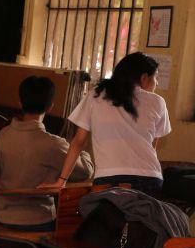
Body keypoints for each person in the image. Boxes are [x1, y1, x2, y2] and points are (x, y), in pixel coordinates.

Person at [49, 52, 170, 193]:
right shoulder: (158, 102)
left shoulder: (96, 95)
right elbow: (151, 147)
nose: (157, 82)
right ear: (144, 78)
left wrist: (62, 180)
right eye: (155, 77)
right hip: (150, 178)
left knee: (105, 214)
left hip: (109, 178)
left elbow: (79, 141)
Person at [0, 75, 93, 230]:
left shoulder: (3, 135)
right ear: (50, 107)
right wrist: (79, 148)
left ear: (20, 102)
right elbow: (85, 171)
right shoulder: (53, 144)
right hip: (38, 220)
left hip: (3, 216)